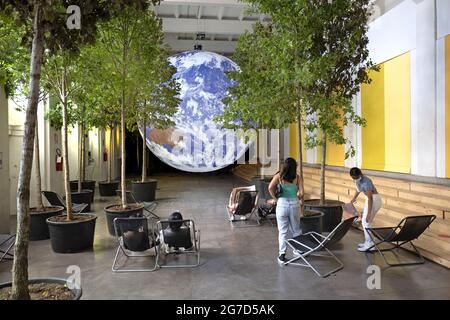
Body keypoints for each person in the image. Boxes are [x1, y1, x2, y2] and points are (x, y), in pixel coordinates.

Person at [268, 158, 303, 265]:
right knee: (296, 229)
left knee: (283, 231)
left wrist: (276, 199)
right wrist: (296, 195)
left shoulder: (279, 176)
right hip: (294, 205)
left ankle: (282, 255)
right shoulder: (297, 177)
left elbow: (270, 188)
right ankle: (297, 250)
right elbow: (301, 193)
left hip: (282, 204)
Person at [349, 167, 382, 252]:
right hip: (370, 199)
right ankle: (369, 242)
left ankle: (369, 244)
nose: (354, 179)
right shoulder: (358, 180)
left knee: (365, 221)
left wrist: (368, 214)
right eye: (353, 178)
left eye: (355, 178)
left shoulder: (366, 182)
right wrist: (354, 198)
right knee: (367, 222)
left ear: (360, 174)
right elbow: (358, 189)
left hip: (374, 200)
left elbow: (370, 198)